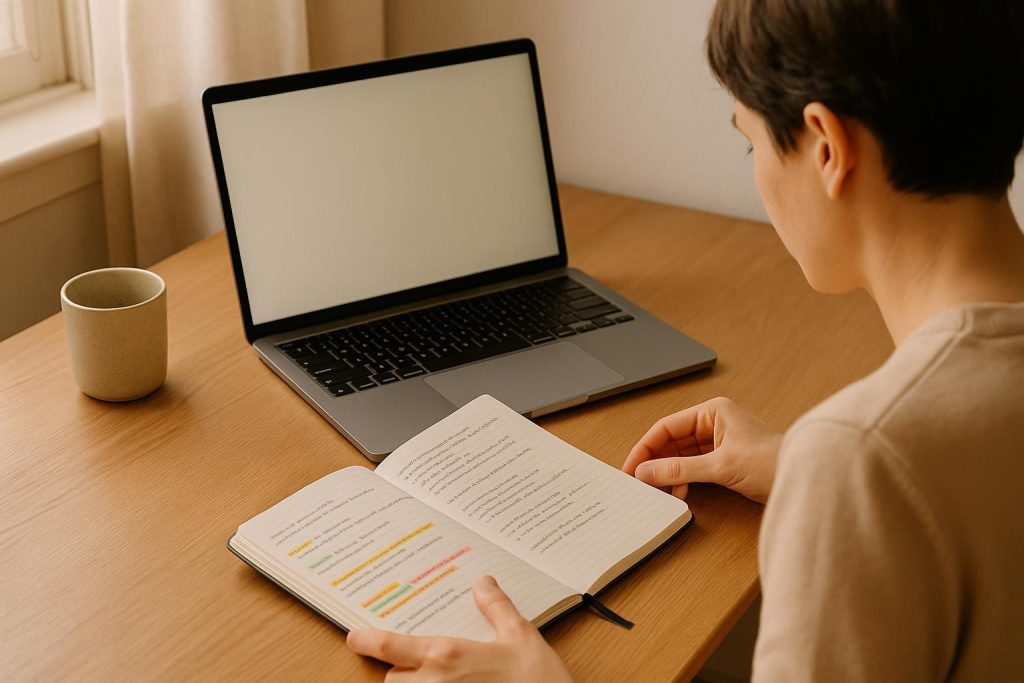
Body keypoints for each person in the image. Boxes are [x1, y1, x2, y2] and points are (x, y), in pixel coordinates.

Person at [346, 0, 1024, 679]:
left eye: (750, 141)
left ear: (826, 148)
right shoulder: (885, 455)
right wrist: (813, 473)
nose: (755, 167)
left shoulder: (861, 454)